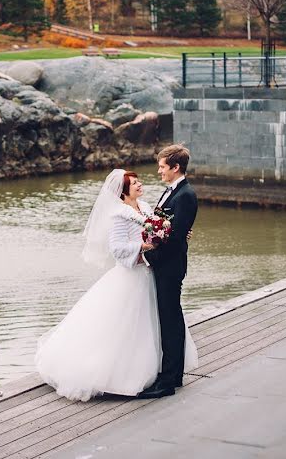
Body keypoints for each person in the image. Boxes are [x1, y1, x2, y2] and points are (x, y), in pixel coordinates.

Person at [35, 169, 197, 401]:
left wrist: (179, 235)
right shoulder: (119, 216)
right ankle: (123, 375)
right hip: (133, 276)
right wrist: (143, 248)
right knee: (127, 326)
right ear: (123, 192)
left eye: (138, 181)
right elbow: (118, 249)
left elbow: (165, 230)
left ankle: (163, 373)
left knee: (154, 324)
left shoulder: (148, 207)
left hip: (152, 274)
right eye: (134, 183)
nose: (140, 184)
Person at [138, 144, 199, 399]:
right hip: (165, 265)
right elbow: (165, 228)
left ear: (176, 167)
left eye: (163, 166)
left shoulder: (185, 195)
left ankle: (168, 381)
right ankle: (173, 375)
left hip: (170, 267)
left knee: (170, 321)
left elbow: (173, 240)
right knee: (170, 319)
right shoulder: (171, 192)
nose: (159, 170)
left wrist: (147, 255)